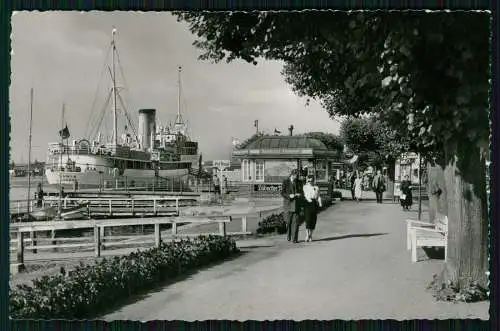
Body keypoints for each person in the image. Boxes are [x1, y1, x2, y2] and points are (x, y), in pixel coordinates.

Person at [281, 169, 303, 243]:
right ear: (292, 175)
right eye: (296, 176)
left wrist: (300, 195)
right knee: (288, 222)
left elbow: (302, 192)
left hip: (296, 205)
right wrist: (289, 196)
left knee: (296, 222)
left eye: (298, 176)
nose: (297, 178)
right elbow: (282, 193)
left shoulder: (299, 182)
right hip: (288, 205)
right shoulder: (285, 182)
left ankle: (295, 239)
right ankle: (289, 234)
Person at [303, 175, 322, 242]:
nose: (310, 182)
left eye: (311, 180)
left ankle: (311, 235)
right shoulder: (304, 187)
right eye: (309, 180)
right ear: (307, 180)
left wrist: (320, 203)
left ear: (313, 180)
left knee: (313, 220)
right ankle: (307, 235)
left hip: (314, 204)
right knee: (308, 220)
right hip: (307, 203)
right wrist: (308, 199)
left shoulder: (316, 187)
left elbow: (319, 196)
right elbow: (304, 196)